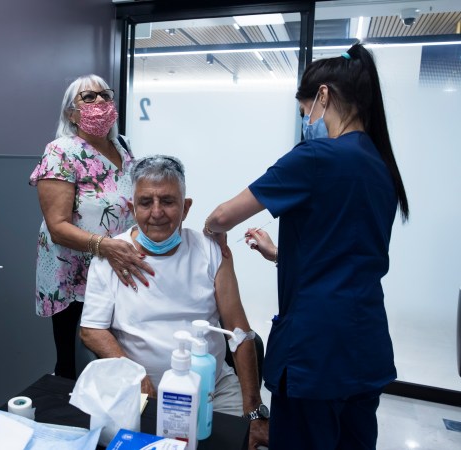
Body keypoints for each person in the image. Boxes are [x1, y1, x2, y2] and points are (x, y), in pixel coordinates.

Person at [204, 43, 409, 450]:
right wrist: (279, 253)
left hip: (315, 350)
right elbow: (346, 253)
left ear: (324, 96)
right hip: (365, 343)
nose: (306, 121)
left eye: (304, 112)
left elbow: (223, 216)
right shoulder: (381, 165)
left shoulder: (316, 156)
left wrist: (208, 228)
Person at [80, 155, 268, 449]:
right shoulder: (113, 256)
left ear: (186, 207)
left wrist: (255, 411)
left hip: (213, 389)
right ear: (132, 208)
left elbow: (239, 332)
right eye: (145, 202)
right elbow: (91, 329)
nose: (156, 212)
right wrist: (135, 375)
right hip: (140, 395)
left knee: (239, 441)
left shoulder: (210, 251)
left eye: (168, 201)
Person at [29, 74, 154, 380]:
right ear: (71, 113)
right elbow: (57, 226)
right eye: (88, 97)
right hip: (72, 275)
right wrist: (105, 246)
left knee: (115, 357)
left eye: (104, 95)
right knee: (75, 363)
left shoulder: (122, 146)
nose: (99, 101)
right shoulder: (61, 151)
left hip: (114, 267)